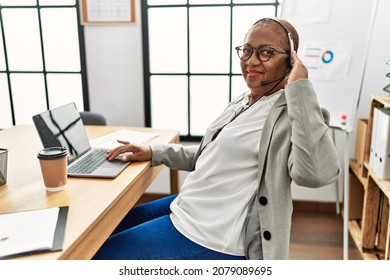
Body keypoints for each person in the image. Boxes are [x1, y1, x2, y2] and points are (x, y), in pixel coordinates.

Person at [93, 17, 340, 260]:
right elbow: (209, 153)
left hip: (211, 234)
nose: (252, 61)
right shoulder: (244, 101)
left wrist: (300, 87)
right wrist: (154, 152)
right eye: (247, 50)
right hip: (189, 206)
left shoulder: (293, 112)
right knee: (103, 230)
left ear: (290, 61)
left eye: (266, 52)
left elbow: (318, 174)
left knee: (99, 257)